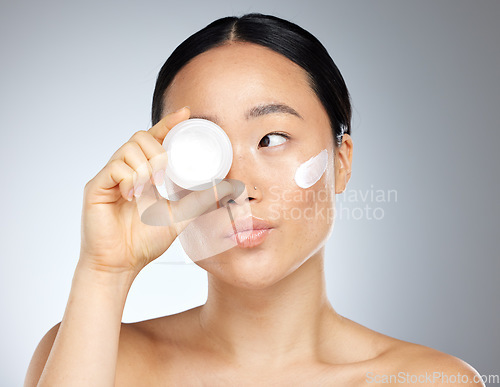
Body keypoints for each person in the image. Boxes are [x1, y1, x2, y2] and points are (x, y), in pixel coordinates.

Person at [25, 13, 483, 386]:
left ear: (341, 161)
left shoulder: (429, 381)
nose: (238, 185)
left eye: (272, 138)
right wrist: (105, 271)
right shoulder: (92, 359)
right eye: (202, 149)